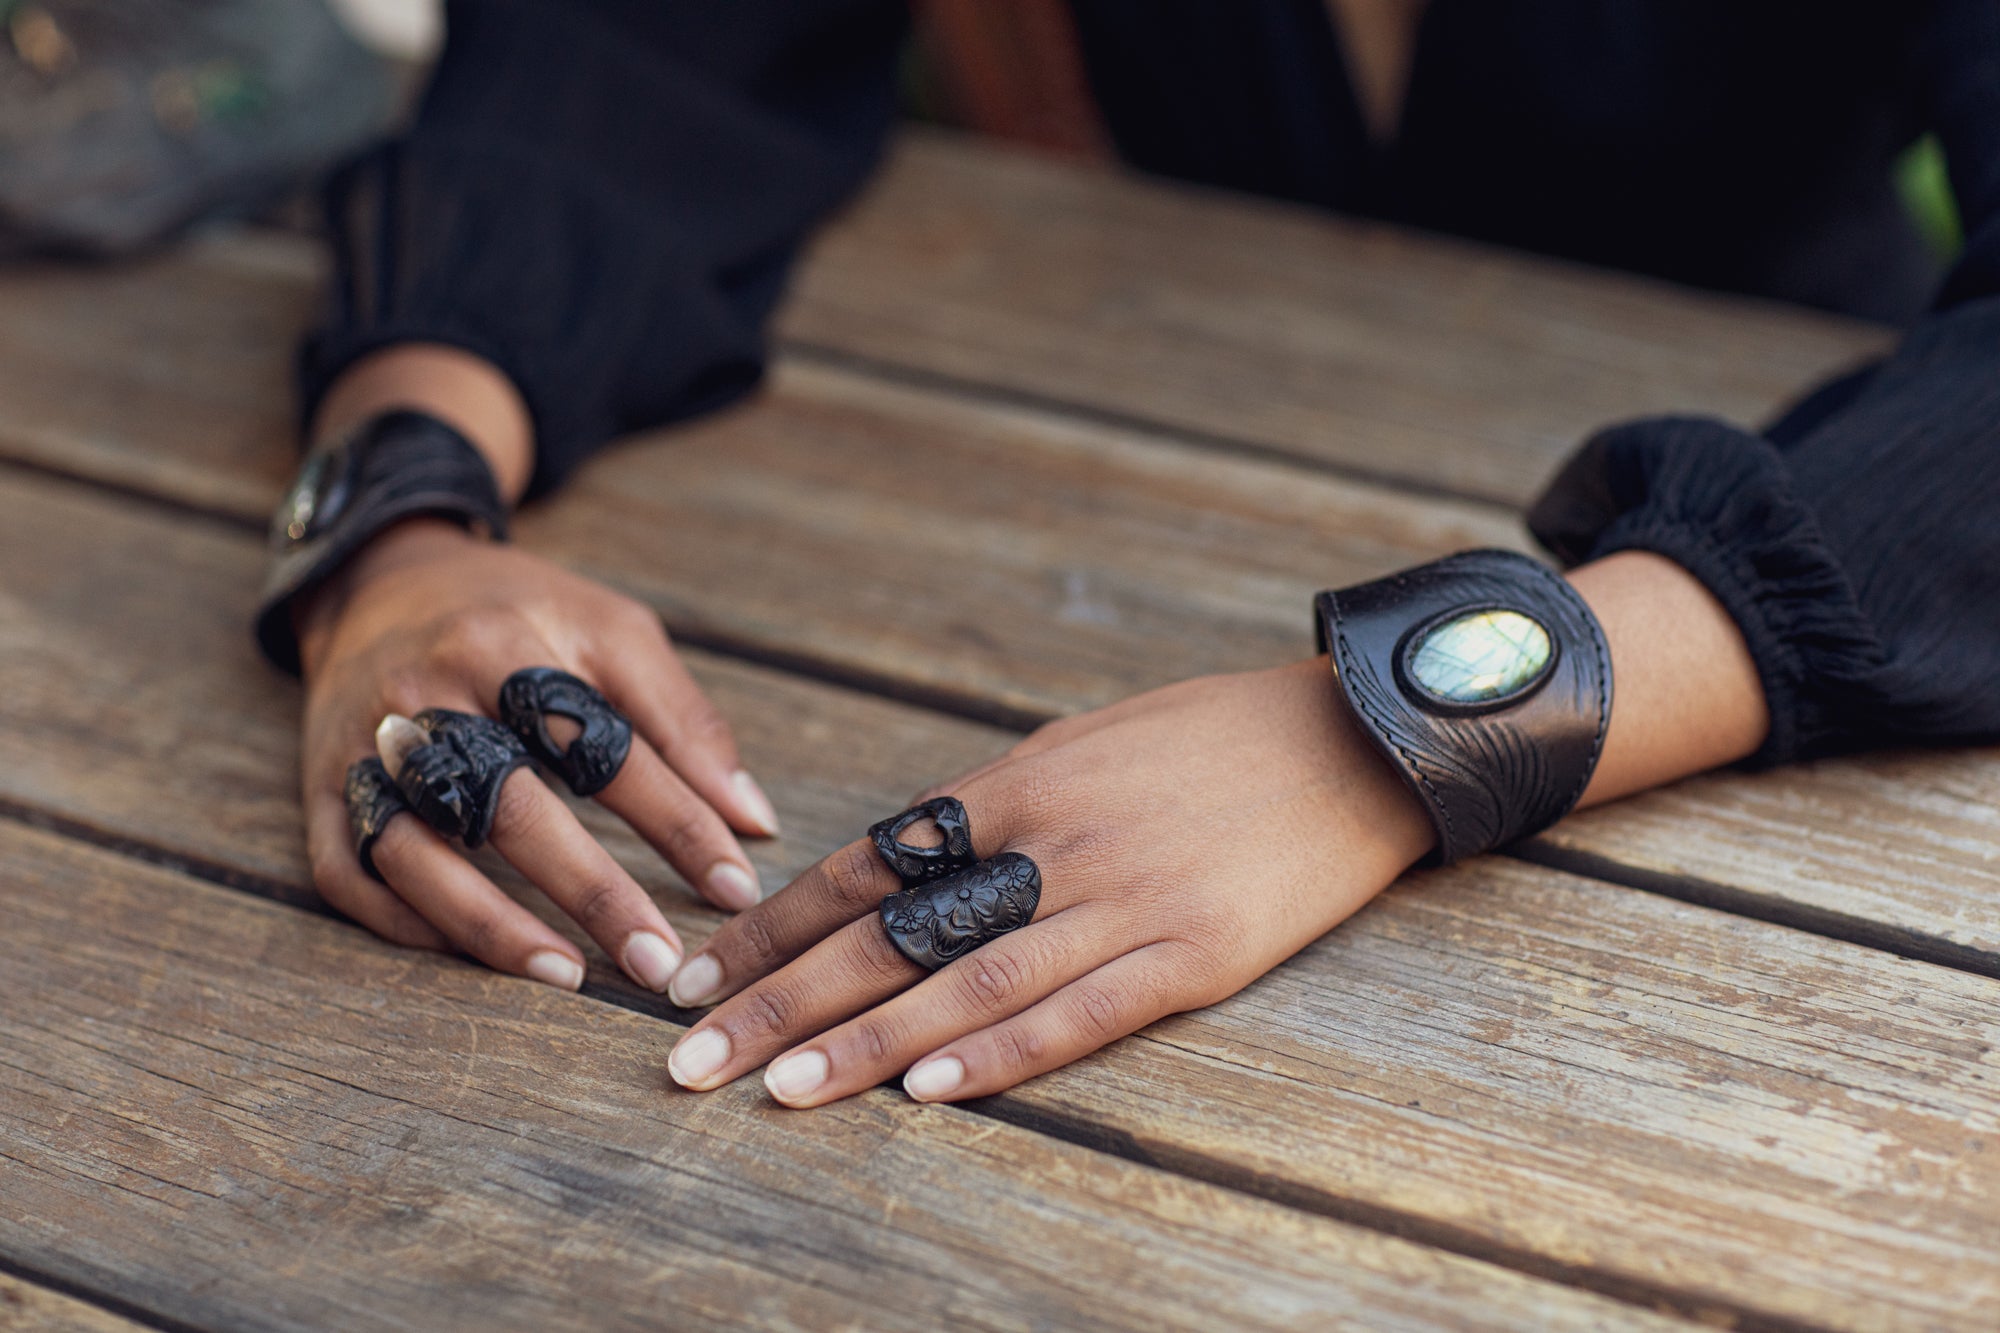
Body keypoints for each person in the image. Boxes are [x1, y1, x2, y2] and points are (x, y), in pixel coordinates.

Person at [260, 0, 2000, 1111]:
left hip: (1839, 676)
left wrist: (1377, 732)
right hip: (1084, 461)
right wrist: (404, 506)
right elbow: (641, 54)